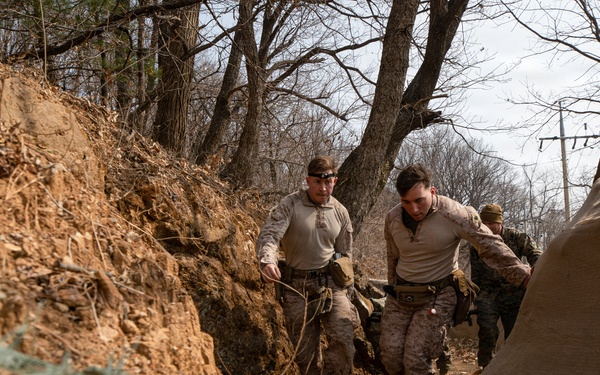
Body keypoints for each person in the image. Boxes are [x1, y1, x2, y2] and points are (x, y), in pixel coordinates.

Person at [379, 164, 532, 375]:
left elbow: (490, 245)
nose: (413, 209)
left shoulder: (454, 214)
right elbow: (392, 257)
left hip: (438, 293)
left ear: (431, 191)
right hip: (402, 294)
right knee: (391, 357)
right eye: (406, 202)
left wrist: (524, 276)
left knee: (415, 359)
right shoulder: (392, 218)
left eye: (419, 200)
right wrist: (391, 289)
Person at [256, 155, 359, 375]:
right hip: (296, 287)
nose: (323, 188)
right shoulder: (290, 204)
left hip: (332, 284)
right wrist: (267, 261)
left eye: (328, 182)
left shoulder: (340, 212)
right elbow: (270, 236)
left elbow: (345, 255)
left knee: (343, 339)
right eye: (318, 182)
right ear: (308, 180)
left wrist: (349, 293)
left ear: (335, 181)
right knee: (305, 354)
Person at [470, 203, 543, 370]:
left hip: (514, 292)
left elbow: (535, 253)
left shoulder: (516, 237)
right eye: (484, 224)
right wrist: (477, 296)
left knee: (514, 335)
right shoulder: (478, 241)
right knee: (487, 330)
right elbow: (476, 273)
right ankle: (485, 367)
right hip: (488, 294)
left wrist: (535, 271)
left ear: (499, 222)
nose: (487, 227)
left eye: (491, 223)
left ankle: (515, 368)